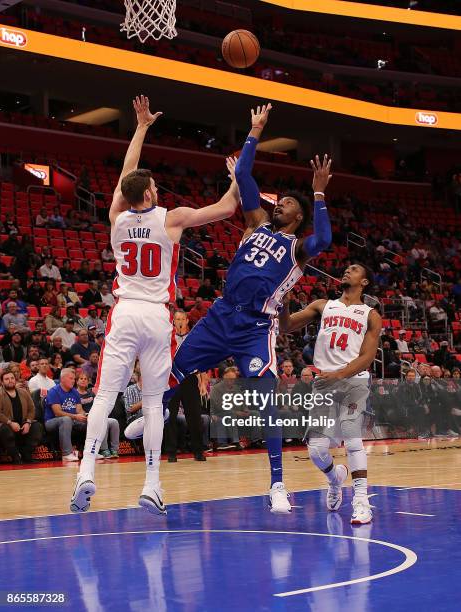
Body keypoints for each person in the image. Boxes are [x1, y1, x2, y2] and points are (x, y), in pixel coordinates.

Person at [127, 103, 332, 513]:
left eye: (289, 203)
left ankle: (277, 484)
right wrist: (254, 130)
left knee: (267, 402)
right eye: (281, 201)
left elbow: (325, 239)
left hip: (257, 327)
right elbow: (242, 175)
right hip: (222, 315)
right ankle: (161, 413)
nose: (281, 205)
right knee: (173, 370)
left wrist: (319, 190)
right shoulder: (255, 223)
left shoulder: (298, 248)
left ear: (300, 216)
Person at [71, 95, 240, 515]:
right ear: (150, 191)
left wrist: (142, 128)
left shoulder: (117, 217)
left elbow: (126, 174)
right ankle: (151, 484)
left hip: (124, 311)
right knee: (151, 403)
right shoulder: (172, 218)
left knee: (104, 394)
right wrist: (239, 177)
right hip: (158, 317)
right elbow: (226, 208)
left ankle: (86, 472)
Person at [280, 263, 381, 524]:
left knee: (352, 435)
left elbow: (368, 357)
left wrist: (340, 374)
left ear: (365, 282)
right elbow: (286, 326)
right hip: (324, 384)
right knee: (316, 450)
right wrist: (285, 302)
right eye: (347, 268)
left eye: (355, 269)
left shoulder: (370, 314)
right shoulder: (323, 305)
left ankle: (361, 502)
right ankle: (335, 479)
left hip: (353, 380)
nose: (348, 270)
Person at [0, 368, 43, 463]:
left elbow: (32, 409)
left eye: (12, 378)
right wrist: (10, 423)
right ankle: (15, 456)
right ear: (2, 382)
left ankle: (27, 454)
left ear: (15, 380)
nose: (10, 380)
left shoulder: (23, 392)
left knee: (37, 427)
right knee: (5, 429)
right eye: (7, 379)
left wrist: (28, 422)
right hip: (7, 425)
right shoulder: (0, 394)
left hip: (23, 424)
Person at [44, 368, 87, 461]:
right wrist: (76, 416)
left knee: (90, 421)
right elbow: (57, 412)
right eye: (71, 378)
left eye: (74, 379)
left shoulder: (74, 391)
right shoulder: (53, 391)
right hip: (52, 421)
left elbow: (79, 409)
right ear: (62, 379)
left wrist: (84, 415)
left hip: (72, 420)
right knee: (66, 419)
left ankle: (91, 452)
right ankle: (66, 454)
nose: (73, 381)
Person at [77, 372, 119, 458]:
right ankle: (104, 449)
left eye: (85, 379)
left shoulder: (91, 393)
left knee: (114, 422)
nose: (83, 380)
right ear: (77, 381)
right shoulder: (75, 394)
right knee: (102, 422)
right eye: (81, 379)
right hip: (83, 418)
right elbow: (77, 410)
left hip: (95, 415)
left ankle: (115, 449)